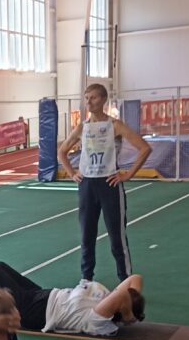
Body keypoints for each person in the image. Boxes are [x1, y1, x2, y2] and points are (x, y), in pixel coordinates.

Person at [57, 83, 151, 283]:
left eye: (93, 97)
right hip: (87, 186)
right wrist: (72, 173)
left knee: (117, 238)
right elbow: (62, 152)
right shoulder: (82, 127)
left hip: (109, 185)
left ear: (103, 100)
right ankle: (86, 281)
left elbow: (144, 148)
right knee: (86, 238)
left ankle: (125, 281)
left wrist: (127, 175)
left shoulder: (115, 125)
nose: (89, 102)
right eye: (86, 98)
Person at [0, 261, 145, 337]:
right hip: (43, 296)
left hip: (35, 312)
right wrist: (133, 306)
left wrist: (130, 315)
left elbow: (121, 295)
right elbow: (135, 278)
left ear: (121, 308)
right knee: (1, 266)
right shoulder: (109, 306)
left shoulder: (99, 321)